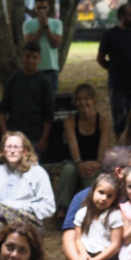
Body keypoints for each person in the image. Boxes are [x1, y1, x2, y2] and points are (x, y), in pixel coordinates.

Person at [0, 131, 55, 238]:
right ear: (3, 150)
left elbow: (49, 207)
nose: (12, 151)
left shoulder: (37, 172)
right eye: (9, 147)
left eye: (16, 147)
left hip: (27, 219)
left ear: (25, 151)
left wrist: (12, 206)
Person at [55, 83, 110, 223]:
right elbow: (73, 144)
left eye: (87, 99)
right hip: (74, 161)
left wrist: (97, 164)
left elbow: (103, 147)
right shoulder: (70, 121)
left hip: (94, 163)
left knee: (93, 181)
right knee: (68, 170)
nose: (83, 102)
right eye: (79, 99)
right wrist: (79, 163)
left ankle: (91, 211)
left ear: (93, 100)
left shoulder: (103, 122)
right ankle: (62, 210)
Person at [97, 4, 131, 137]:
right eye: (130, 15)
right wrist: (113, 69)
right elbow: (101, 58)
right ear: (121, 16)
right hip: (118, 86)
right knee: (120, 120)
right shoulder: (110, 35)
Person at [0, 42, 54, 155]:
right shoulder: (13, 79)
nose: (30, 60)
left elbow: (49, 114)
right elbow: (3, 108)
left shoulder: (44, 81)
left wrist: (44, 138)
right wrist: (4, 132)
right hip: (14, 134)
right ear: (22, 57)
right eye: (28, 56)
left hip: (35, 136)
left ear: (39, 59)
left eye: (34, 57)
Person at [23, 0, 63, 94]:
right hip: (34, 68)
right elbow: (30, 44)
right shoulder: (28, 24)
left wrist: (46, 27)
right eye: (39, 8)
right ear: (35, 9)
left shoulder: (57, 23)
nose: (42, 11)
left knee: (51, 99)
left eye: (44, 8)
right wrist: (41, 27)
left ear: (48, 8)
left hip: (51, 68)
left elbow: (56, 44)